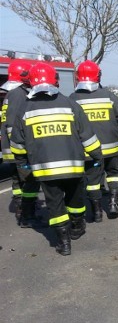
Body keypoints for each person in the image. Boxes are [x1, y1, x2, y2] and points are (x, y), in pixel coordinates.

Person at [10, 62, 103, 256]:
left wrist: (23, 165)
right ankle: (77, 227)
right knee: (75, 200)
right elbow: (88, 136)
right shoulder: (70, 104)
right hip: (74, 167)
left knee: (55, 205)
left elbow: (18, 144)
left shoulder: (24, 108)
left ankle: (64, 242)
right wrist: (97, 157)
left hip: (45, 171)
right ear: (56, 81)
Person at [70, 60, 118, 221]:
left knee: (92, 181)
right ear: (98, 76)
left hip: (89, 150)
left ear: (78, 77)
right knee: (113, 174)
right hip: (112, 148)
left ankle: (96, 213)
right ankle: (112, 204)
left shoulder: (73, 98)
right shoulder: (108, 95)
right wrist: (112, 125)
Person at [0, 59, 42, 227]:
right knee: (30, 181)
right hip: (19, 150)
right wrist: (25, 148)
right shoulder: (18, 94)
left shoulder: (12, 93)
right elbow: (13, 126)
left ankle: (22, 211)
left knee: (18, 182)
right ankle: (27, 215)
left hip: (12, 149)